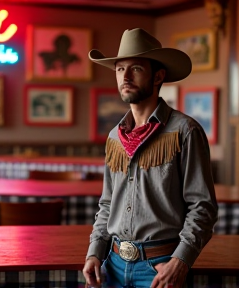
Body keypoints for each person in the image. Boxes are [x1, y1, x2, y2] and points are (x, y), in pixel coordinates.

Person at [82, 28, 218, 288]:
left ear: (158, 76)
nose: (126, 76)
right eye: (120, 69)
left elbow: (203, 207)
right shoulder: (114, 137)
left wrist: (181, 261)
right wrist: (94, 252)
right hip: (112, 264)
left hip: (160, 267)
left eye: (136, 68)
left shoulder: (185, 131)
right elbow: (108, 204)